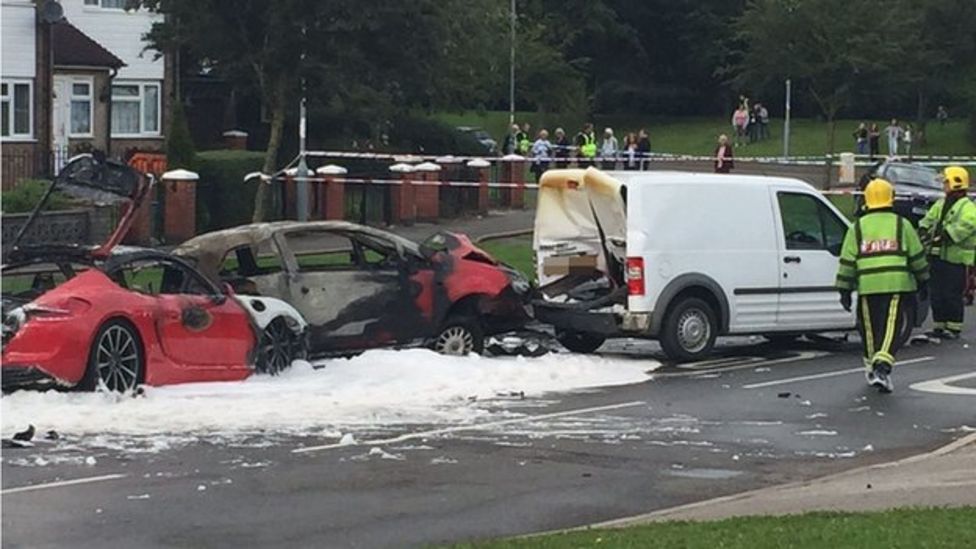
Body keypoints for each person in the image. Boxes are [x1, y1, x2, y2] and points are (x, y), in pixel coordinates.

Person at [835, 178, 929, 393]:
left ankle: (871, 367)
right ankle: (882, 364)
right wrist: (923, 279)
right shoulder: (901, 224)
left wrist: (844, 289)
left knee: (869, 328)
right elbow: (916, 256)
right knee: (891, 327)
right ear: (891, 198)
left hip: (868, 285)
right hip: (896, 284)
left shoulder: (857, 228)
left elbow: (848, 260)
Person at [918, 166, 976, 339]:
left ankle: (953, 327)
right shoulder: (941, 203)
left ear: (956, 183)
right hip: (937, 257)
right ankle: (939, 325)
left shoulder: (967, 207)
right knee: (937, 293)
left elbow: (967, 224)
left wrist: (946, 234)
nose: (943, 185)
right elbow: (928, 219)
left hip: (956, 259)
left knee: (952, 294)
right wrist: (923, 229)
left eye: (946, 182)